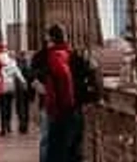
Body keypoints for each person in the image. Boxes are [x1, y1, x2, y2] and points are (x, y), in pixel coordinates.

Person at [29, 23, 99, 162]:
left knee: (51, 147)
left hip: (54, 110)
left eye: (47, 39)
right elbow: (94, 74)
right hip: (74, 109)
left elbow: (33, 77)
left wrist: (38, 89)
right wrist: (90, 97)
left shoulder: (45, 56)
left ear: (50, 39)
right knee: (74, 149)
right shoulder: (77, 55)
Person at [0, 30, 24, 136]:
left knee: (3, 108)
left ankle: (4, 127)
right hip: (11, 86)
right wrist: (23, 81)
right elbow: (16, 71)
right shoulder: (10, 59)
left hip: (2, 86)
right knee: (9, 107)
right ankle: (8, 126)